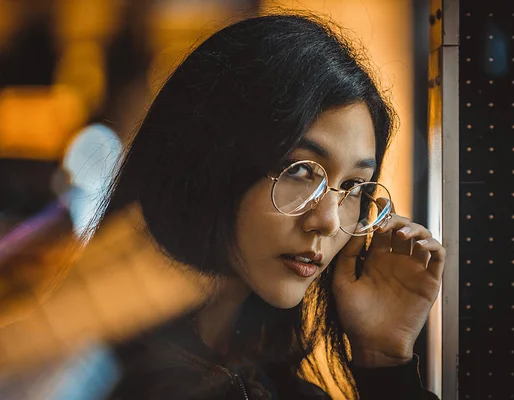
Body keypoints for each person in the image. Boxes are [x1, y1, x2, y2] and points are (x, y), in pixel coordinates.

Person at [104, 13, 445, 400]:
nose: (328, 222)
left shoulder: (263, 382)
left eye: (351, 186)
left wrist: (384, 359)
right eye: (300, 170)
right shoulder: (113, 378)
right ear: (211, 161)